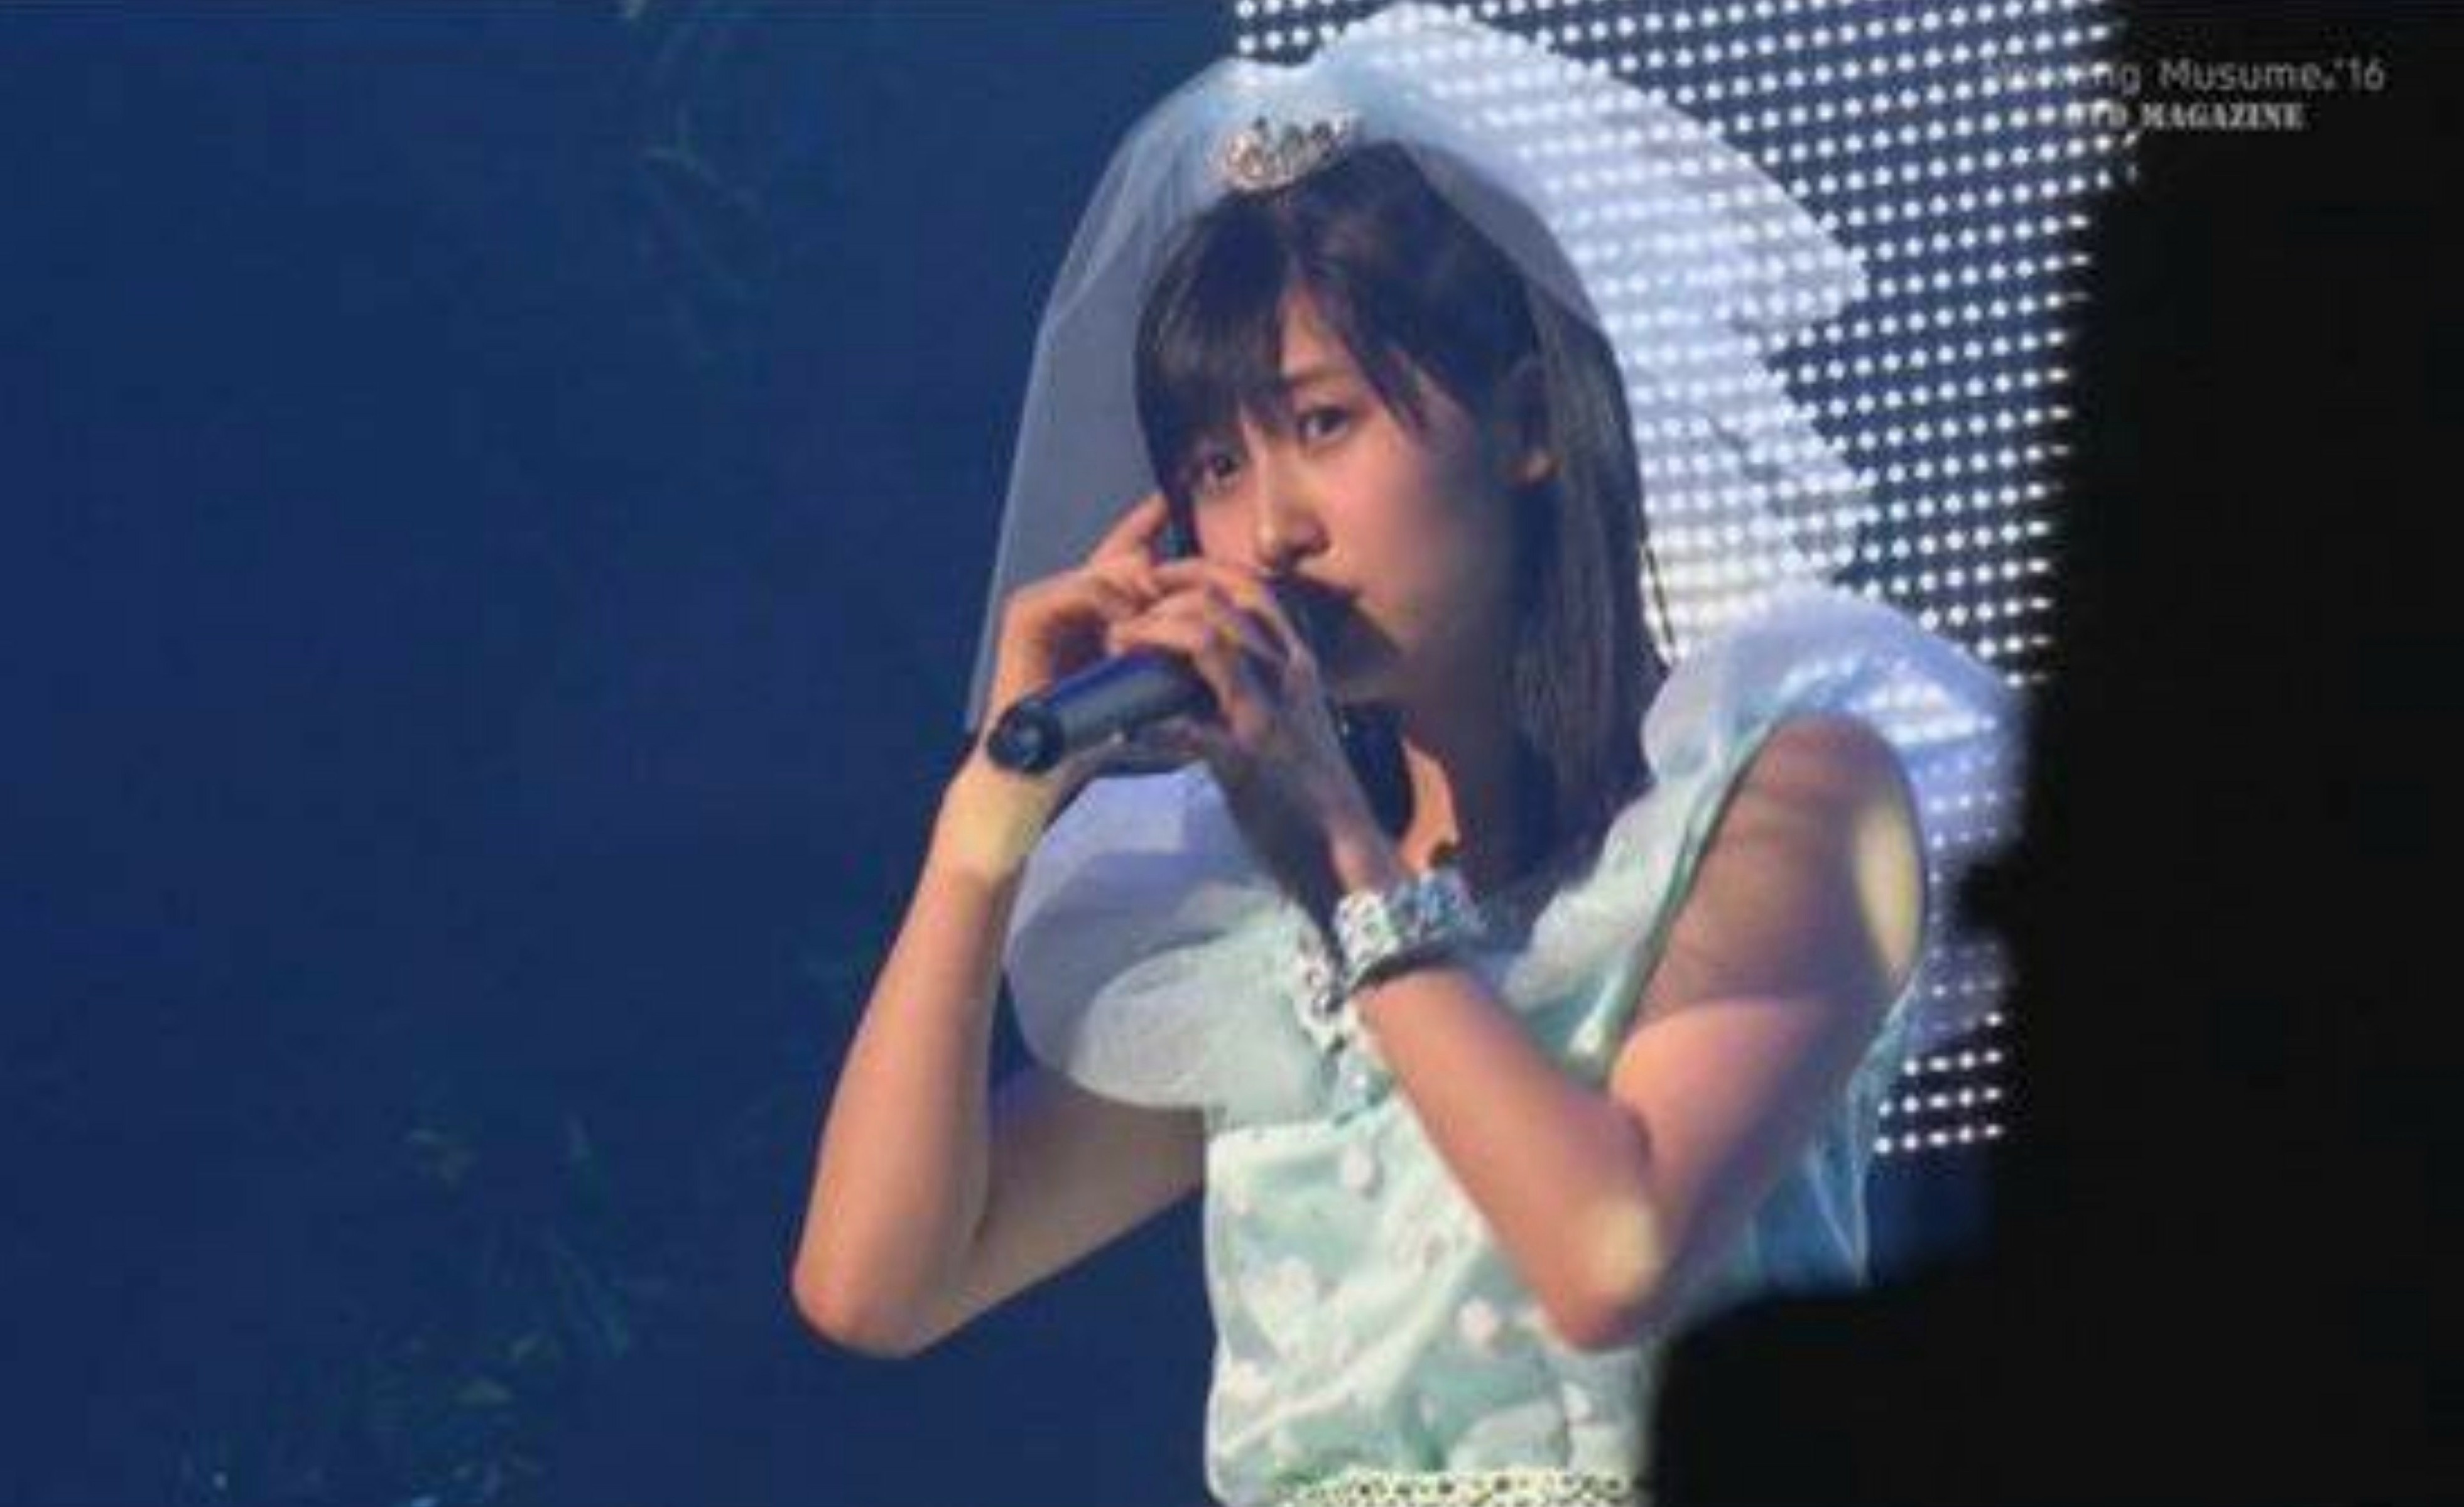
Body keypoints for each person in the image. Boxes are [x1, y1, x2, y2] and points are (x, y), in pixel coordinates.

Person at [792, 7, 2021, 1504]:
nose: (1268, 531)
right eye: (1216, 467)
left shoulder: (1783, 798)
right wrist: (986, 823)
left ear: (1524, 424)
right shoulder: (1257, 936)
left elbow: (1613, 1253)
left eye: (1320, 423)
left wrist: (1338, 858)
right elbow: (878, 1286)